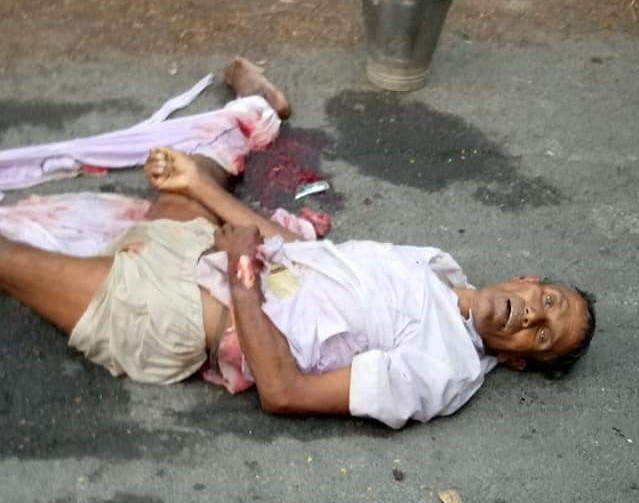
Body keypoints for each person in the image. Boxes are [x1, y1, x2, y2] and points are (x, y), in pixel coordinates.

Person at [0, 58, 596, 429]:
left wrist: (242, 273)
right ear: (526, 281)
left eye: (543, 336)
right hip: (212, 250)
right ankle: (260, 105)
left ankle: (249, 121)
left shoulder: (441, 371)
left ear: (517, 359)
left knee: (10, 259)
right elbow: (298, 251)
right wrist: (195, 190)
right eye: (549, 302)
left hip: (178, 312)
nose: (533, 317)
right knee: (193, 168)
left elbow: (285, 392)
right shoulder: (439, 269)